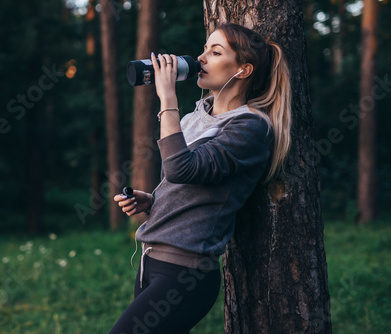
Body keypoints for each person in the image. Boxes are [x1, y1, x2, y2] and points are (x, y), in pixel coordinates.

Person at [109, 22, 292, 334]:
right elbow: (193, 185)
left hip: (185, 274)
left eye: (215, 51)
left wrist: (167, 97)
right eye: (205, 49)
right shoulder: (198, 115)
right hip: (154, 262)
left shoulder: (250, 128)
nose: (201, 58)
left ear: (243, 70)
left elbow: (182, 169)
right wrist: (154, 201)